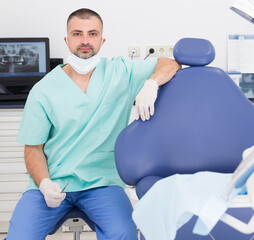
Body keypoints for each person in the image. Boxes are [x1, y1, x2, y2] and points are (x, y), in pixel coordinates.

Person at [5, 8, 180, 240]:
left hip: (103, 183)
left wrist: (151, 83)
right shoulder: (43, 90)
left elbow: (171, 63)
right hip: (53, 182)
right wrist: (44, 183)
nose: (85, 41)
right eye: (77, 34)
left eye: (92, 33)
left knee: (123, 234)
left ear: (102, 39)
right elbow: (33, 149)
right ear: (67, 40)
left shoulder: (120, 72)